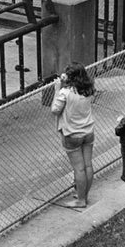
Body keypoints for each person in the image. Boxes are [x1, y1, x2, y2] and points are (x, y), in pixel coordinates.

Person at [51, 62, 96, 208]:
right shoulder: (89, 89)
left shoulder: (65, 93)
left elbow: (55, 110)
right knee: (88, 165)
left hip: (72, 134)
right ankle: (84, 195)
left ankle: (80, 200)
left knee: (79, 168)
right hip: (88, 131)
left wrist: (58, 89)